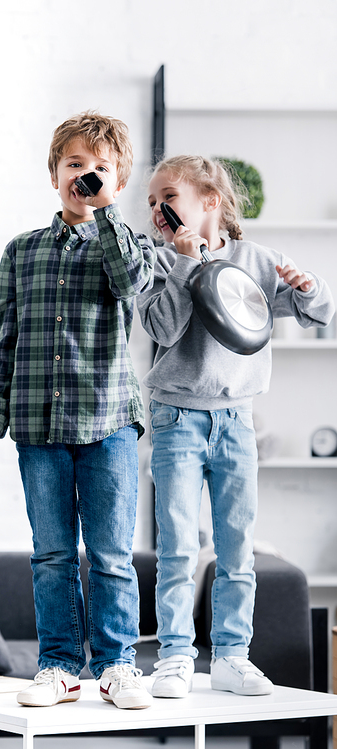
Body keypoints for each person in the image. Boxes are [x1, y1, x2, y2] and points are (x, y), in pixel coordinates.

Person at [0, 112, 156, 710]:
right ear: (53, 175)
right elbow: (5, 342)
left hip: (109, 423)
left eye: (100, 169)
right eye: (74, 165)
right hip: (39, 427)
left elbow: (131, 285)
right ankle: (60, 667)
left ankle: (118, 665)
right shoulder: (21, 252)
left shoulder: (126, 243)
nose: (85, 176)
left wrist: (109, 214)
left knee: (113, 553)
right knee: (51, 553)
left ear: (117, 181)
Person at [137, 155, 335, 700]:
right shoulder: (154, 261)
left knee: (236, 547)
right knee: (177, 544)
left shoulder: (256, 260)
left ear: (210, 201)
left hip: (236, 420)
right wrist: (182, 263)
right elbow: (161, 326)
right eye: (152, 201)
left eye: (167, 197)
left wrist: (308, 284)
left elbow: (318, 310)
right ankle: (176, 657)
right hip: (176, 417)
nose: (157, 209)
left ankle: (231, 656)